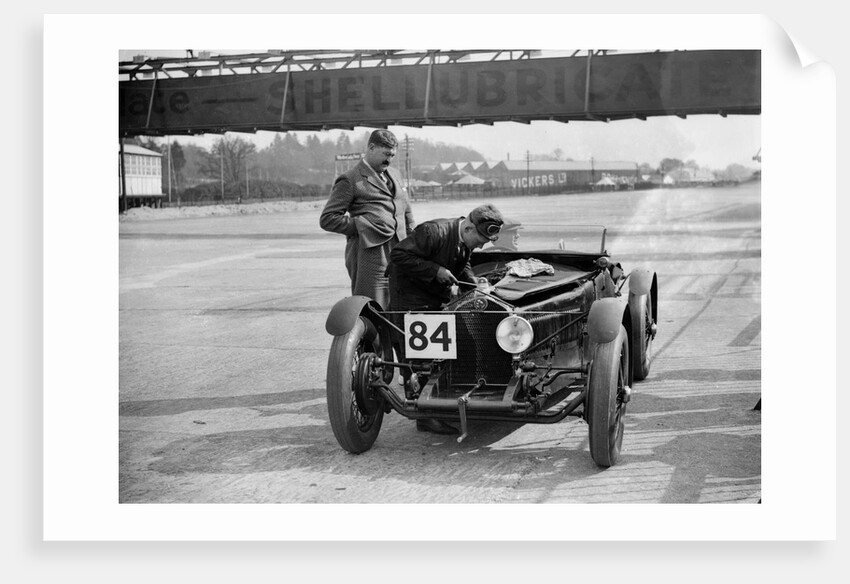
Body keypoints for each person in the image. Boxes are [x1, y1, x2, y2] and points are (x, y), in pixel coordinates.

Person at [387, 203, 505, 434]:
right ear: (469, 228)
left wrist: (476, 285)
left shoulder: (464, 238)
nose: (482, 245)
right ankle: (424, 416)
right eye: (481, 239)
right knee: (416, 357)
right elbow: (398, 254)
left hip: (432, 293)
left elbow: (462, 261)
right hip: (410, 295)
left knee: (441, 350)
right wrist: (435, 271)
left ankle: (440, 400)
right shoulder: (432, 232)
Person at [319, 129, 415, 309]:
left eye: (392, 155)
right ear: (371, 148)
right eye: (386, 154)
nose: (389, 159)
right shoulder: (350, 179)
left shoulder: (395, 174)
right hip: (370, 253)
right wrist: (363, 225)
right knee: (373, 306)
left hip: (399, 249)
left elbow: (405, 206)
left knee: (400, 304)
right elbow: (328, 219)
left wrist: (411, 229)